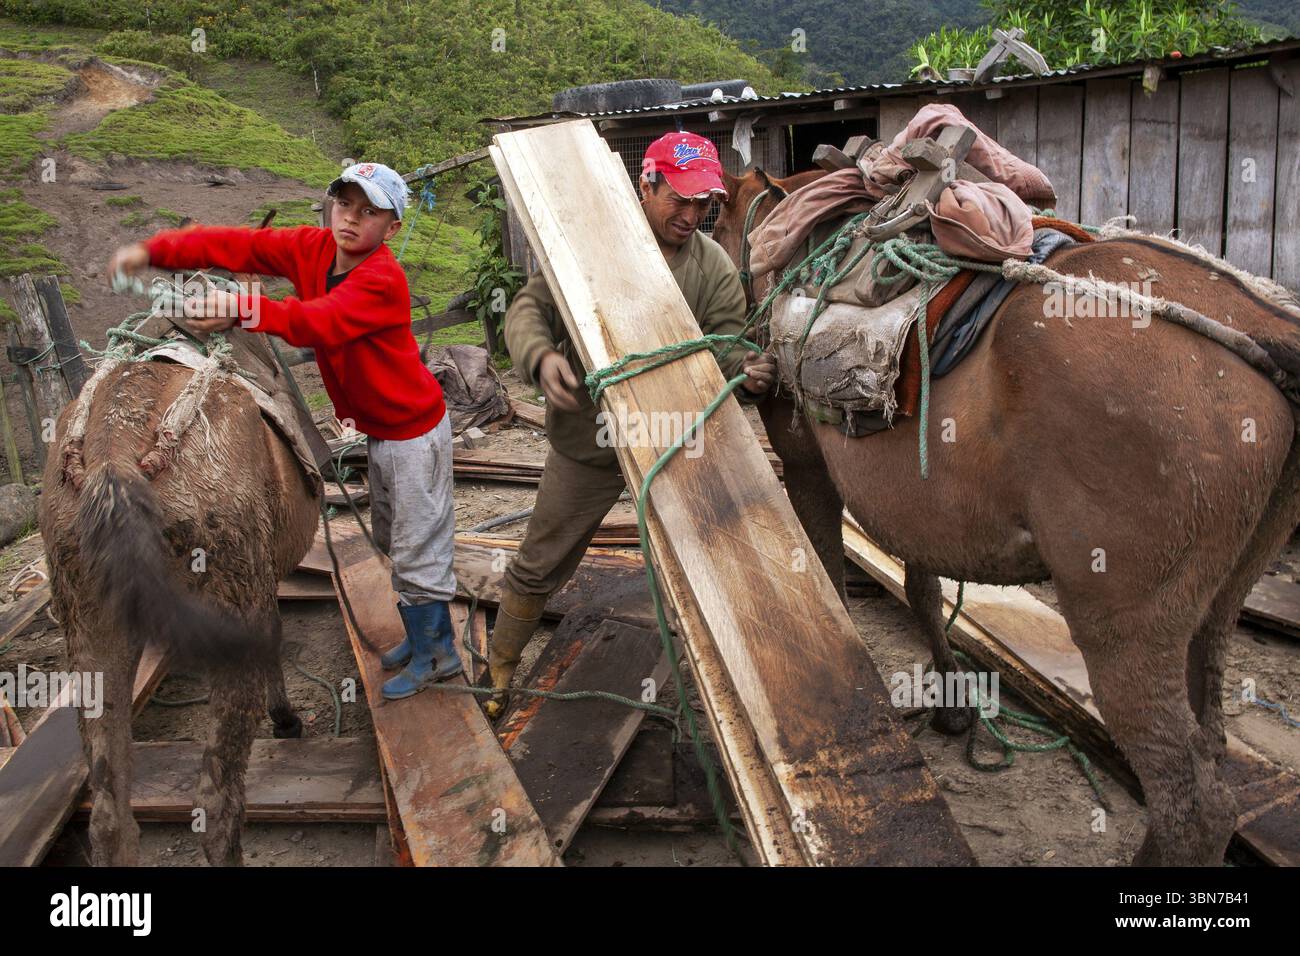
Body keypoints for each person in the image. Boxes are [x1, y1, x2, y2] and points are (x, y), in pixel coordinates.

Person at [107, 162, 460, 701]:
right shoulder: (311, 249)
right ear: (331, 206)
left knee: (416, 543)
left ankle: (439, 654)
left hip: (414, 432)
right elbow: (237, 245)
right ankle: (421, 636)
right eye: (345, 204)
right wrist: (156, 251)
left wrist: (241, 308)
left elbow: (319, 321)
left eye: (370, 212)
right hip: (382, 430)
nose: (351, 218)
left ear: (391, 229)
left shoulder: (382, 279)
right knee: (393, 537)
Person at [490, 131, 776, 717]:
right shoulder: (592, 247)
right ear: (645, 185)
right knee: (542, 558)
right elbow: (529, 308)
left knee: (710, 558)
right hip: (588, 439)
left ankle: (726, 696)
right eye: (679, 198)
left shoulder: (714, 266)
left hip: (673, 441)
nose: (692, 215)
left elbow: (726, 341)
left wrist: (745, 370)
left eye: (704, 204)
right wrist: (540, 356)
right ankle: (499, 669)